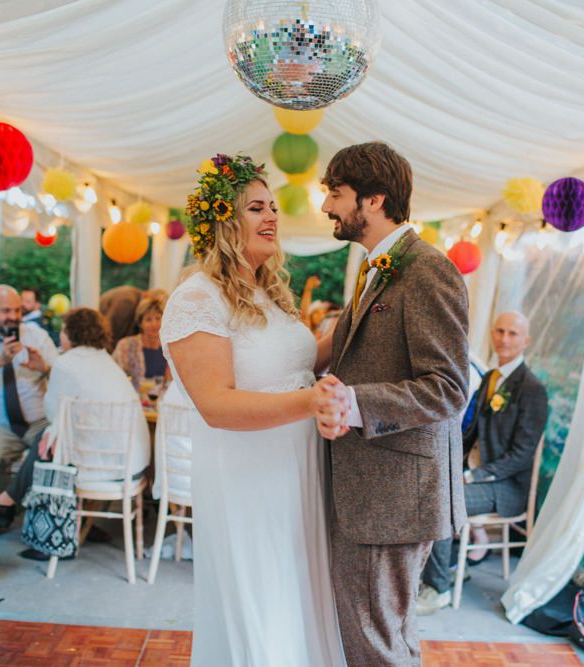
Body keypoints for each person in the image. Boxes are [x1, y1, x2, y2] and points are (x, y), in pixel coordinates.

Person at [160, 153, 347, 666]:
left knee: (297, 599)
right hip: (248, 481)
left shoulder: (269, 293)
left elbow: (299, 357)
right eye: (255, 207)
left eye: (272, 207)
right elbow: (216, 404)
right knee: (263, 608)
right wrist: (310, 401)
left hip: (296, 476)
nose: (272, 217)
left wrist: (362, 316)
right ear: (223, 220)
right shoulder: (197, 298)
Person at [319, 141, 470, 666]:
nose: (326, 208)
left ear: (374, 200)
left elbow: (449, 387)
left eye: (335, 194)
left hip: (393, 495)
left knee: (373, 643)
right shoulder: (374, 267)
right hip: (381, 491)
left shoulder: (426, 269)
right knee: (388, 638)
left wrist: (353, 402)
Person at [0, 307, 151, 555]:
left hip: (99, 468)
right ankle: (70, 520)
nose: (60, 334)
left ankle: (41, 524)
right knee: (50, 438)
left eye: (62, 329)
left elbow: (53, 416)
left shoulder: (66, 363)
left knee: (50, 439)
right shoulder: (106, 360)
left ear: (71, 333)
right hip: (133, 465)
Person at [419, 311, 548, 615]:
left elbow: (521, 456)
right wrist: (446, 462)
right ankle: (448, 568)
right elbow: (471, 431)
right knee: (428, 483)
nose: (504, 339)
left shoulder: (532, 390)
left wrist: (473, 475)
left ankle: (438, 589)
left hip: (507, 487)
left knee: (443, 499)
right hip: (475, 474)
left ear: (525, 341)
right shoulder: (490, 378)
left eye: (513, 334)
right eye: (499, 331)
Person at [0, 285, 58, 535]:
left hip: (38, 421)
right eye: (5, 310)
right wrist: (0, 360)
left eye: (17, 310)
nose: (13, 316)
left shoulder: (36, 335)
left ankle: (26, 510)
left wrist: (44, 368)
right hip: (1, 425)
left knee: (53, 447)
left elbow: (59, 371)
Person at [113, 296, 168, 391]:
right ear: (140, 323)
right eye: (148, 319)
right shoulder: (126, 345)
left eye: (158, 318)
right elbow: (116, 377)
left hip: (161, 401)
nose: (154, 324)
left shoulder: (168, 347)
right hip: (133, 399)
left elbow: (169, 382)